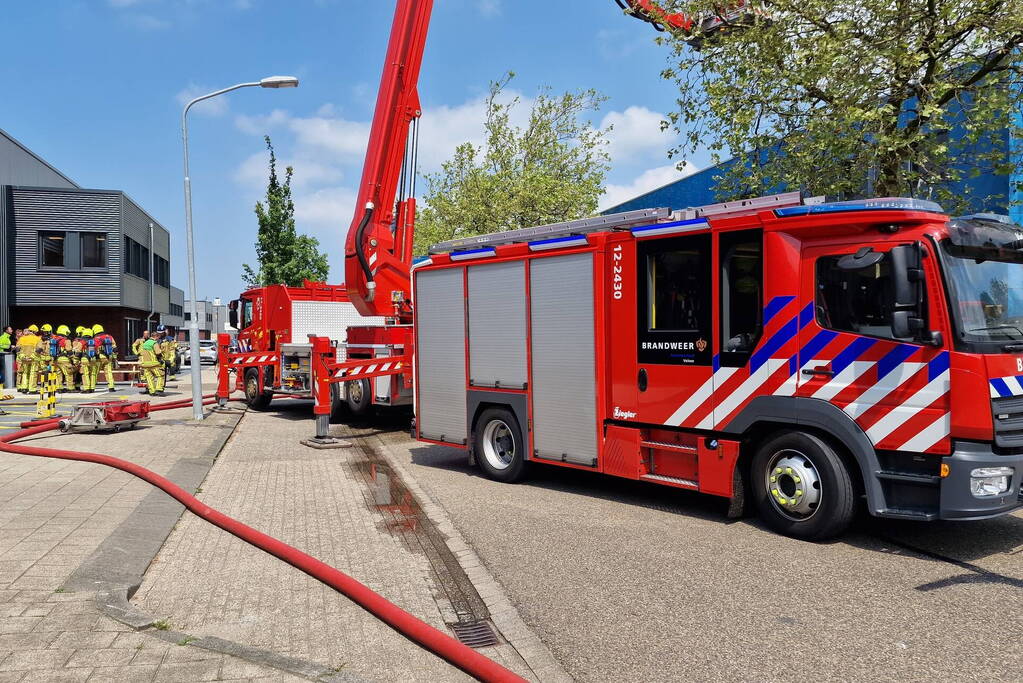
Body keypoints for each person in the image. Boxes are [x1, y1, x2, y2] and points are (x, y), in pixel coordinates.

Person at [92, 324, 118, 392]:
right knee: (109, 372)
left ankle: (92, 387)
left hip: (99, 357)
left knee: (94, 372)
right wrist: (114, 358)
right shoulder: (109, 336)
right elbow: (115, 348)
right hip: (109, 357)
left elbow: (94, 348)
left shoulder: (96, 338)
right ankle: (111, 387)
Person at [138, 331, 165, 396]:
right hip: (154, 363)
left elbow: (140, 353)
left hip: (145, 364)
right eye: (158, 337)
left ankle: (152, 392)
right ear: (156, 336)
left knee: (149, 378)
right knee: (160, 375)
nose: (158, 339)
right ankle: (159, 389)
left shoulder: (144, 343)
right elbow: (158, 353)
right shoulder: (154, 343)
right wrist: (161, 359)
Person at [16, 326, 40, 393]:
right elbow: (39, 349)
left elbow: (17, 349)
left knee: (25, 373)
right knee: (33, 373)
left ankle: (24, 388)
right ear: (35, 331)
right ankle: (32, 389)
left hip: (24, 359)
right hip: (34, 359)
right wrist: (32, 357)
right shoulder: (37, 339)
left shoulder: (22, 338)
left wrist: (23, 357)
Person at [52, 326, 75, 392]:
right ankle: (70, 388)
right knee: (68, 373)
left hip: (56, 360)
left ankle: (59, 388)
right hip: (65, 359)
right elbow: (69, 351)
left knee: (58, 374)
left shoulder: (53, 340)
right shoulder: (66, 341)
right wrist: (73, 359)